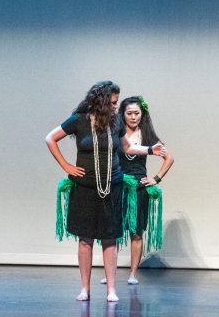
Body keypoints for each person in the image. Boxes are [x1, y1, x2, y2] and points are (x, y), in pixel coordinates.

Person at [46, 81, 164, 302]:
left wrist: (149, 149)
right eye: (112, 102)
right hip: (85, 188)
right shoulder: (79, 120)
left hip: (112, 186)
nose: (114, 106)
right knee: (85, 239)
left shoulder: (116, 121)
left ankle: (111, 289)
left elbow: (127, 147)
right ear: (100, 101)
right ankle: (85, 289)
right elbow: (50, 138)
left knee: (110, 237)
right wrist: (66, 166)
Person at [111, 96, 174, 285]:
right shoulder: (116, 133)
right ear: (122, 114)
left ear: (142, 114)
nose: (133, 117)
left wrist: (155, 179)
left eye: (136, 113)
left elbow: (169, 158)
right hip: (118, 184)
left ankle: (133, 274)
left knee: (136, 232)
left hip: (138, 187)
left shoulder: (147, 135)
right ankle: (110, 273)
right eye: (129, 113)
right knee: (112, 231)